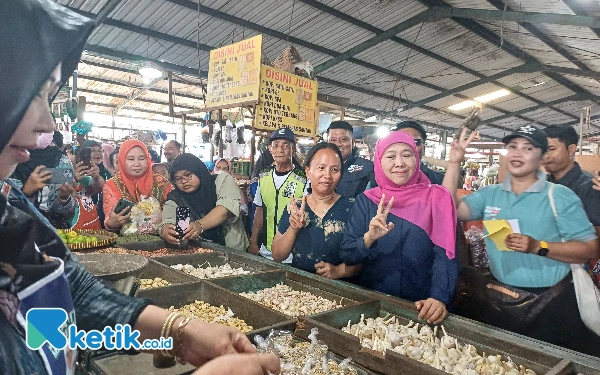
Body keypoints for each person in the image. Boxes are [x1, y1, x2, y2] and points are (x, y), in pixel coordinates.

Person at [0, 1, 279, 374]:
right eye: (34, 94)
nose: (46, 122)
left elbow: (77, 291)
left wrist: (179, 331)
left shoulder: (9, 201)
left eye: (49, 98)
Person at [443, 126, 600, 356]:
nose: (517, 153)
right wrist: (455, 162)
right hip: (500, 299)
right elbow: (449, 210)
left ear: (541, 156)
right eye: (512, 147)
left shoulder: (558, 196)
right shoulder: (491, 194)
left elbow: (590, 248)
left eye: (528, 148)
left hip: (549, 305)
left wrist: (538, 246)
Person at [341, 131, 459, 324]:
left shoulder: (437, 199)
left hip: (422, 307)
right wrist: (369, 238)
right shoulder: (367, 201)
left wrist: (439, 297)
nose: (399, 163)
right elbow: (348, 255)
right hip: (374, 307)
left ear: (416, 158)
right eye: (390, 156)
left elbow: (446, 255)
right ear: (379, 161)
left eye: (406, 155)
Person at [272, 143, 361, 279]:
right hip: (299, 287)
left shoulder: (353, 208)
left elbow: (362, 257)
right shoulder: (295, 207)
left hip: (341, 292)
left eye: (335, 170)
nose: (327, 175)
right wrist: (293, 228)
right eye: (321, 168)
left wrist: (339, 271)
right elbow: (277, 255)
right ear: (308, 172)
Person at [160, 154, 248, 251]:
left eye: (188, 175)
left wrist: (199, 225)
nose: (184, 181)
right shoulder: (177, 197)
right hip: (198, 253)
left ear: (198, 171)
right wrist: (166, 230)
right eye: (178, 178)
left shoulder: (221, 181)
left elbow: (224, 211)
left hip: (231, 250)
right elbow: (169, 219)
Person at [249, 128, 307, 263]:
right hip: (266, 249)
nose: (280, 149)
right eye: (276, 145)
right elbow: (259, 210)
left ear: (293, 150)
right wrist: (253, 240)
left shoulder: (303, 179)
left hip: (292, 253)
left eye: (286, 145)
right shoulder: (263, 176)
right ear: (270, 149)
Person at [103, 140, 172, 233]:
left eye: (141, 158)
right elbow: (109, 220)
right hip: (123, 243)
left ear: (148, 159)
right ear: (122, 160)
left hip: (161, 240)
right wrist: (111, 223)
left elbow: (173, 213)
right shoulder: (112, 185)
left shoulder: (162, 183)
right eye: (131, 159)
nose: (137, 164)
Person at [10, 130, 76, 228]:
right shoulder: (8, 160)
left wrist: (63, 198)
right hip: (16, 234)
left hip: (52, 233)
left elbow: (66, 214)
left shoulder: (62, 161)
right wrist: (25, 192)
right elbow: (5, 211)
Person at [327, 121, 376, 197]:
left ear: (353, 142)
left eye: (343, 139)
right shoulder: (319, 169)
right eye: (333, 140)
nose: (338, 144)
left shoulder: (368, 168)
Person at [393, 121, 444, 185]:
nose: (409, 147)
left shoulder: (440, 181)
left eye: (415, 142)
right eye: (401, 142)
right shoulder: (377, 180)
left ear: (424, 148)